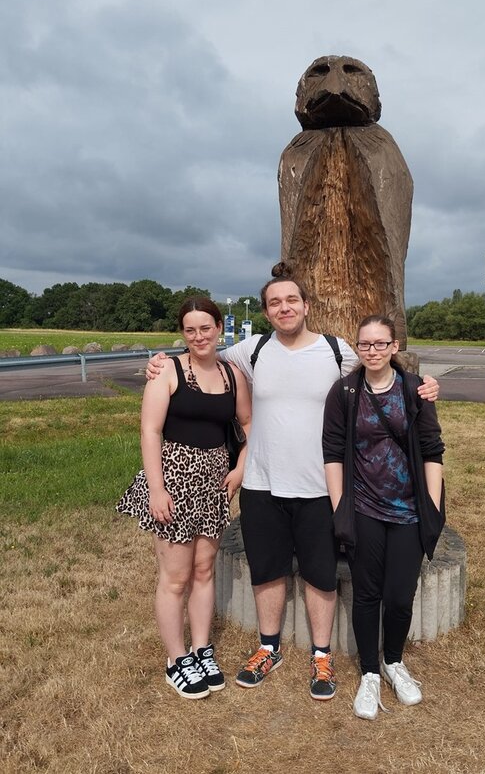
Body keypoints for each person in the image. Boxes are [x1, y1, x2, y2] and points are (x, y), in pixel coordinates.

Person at [146, 263, 440, 701]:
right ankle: (269, 647)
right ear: (266, 311)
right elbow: (202, 357)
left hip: (321, 486)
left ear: (306, 305)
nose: (284, 308)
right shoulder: (253, 350)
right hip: (262, 485)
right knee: (267, 571)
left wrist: (423, 384)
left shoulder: (335, 350)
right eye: (274, 302)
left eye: (291, 300)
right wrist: (157, 361)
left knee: (321, 575)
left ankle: (321, 655)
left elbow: (381, 373)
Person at [117, 296, 251, 699]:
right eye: (190, 330)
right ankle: (176, 660)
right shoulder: (168, 371)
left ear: (219, 327)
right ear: (183, 333)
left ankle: (201, 649)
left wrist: (241, 468)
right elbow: (150, 432)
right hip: (173, 481)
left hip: (214, 482)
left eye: (205, 328)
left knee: (204, 571)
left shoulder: (232, 374)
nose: (198, 336)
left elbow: (247, 423)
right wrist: (157, 490)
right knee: (175, 577)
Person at [322, 315, 445, 720]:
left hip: (409, 509)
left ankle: (394, 661)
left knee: (399, 594)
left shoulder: (415, 389)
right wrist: (342, 507)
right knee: (368, 592)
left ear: (394, 347)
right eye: (364, 345)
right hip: (364, 508)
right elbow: (333, 451)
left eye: (380, 344)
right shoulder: (344, 392)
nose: (372, 351)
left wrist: (432, 504)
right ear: (357, 349)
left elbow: (431, 448)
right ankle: (370, 673)